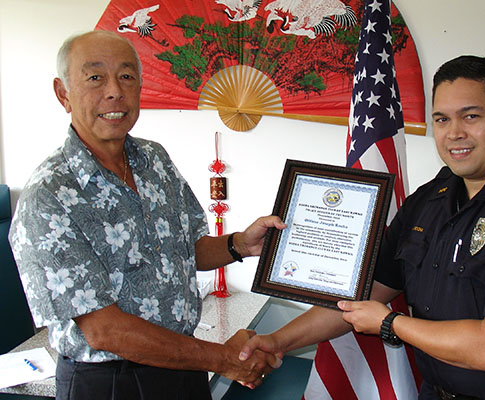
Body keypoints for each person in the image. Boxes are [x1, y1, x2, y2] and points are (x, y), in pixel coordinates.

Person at [239, 55, 485, 399]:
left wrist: (389, 324)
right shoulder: (431, 200)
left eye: (471, 116)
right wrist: (277, 341)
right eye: (441, 120)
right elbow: (364, 295)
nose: (454, 133)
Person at [9, 30, 284, 400]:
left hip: (183, 369)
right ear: (63, 93)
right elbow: (104, 330)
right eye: (94, 78)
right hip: (109, 384)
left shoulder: (154, 160)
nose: (114, 91)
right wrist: (222, 358)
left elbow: (187, 251)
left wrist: (239, 245)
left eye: (126, 76)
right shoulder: (49, 196)